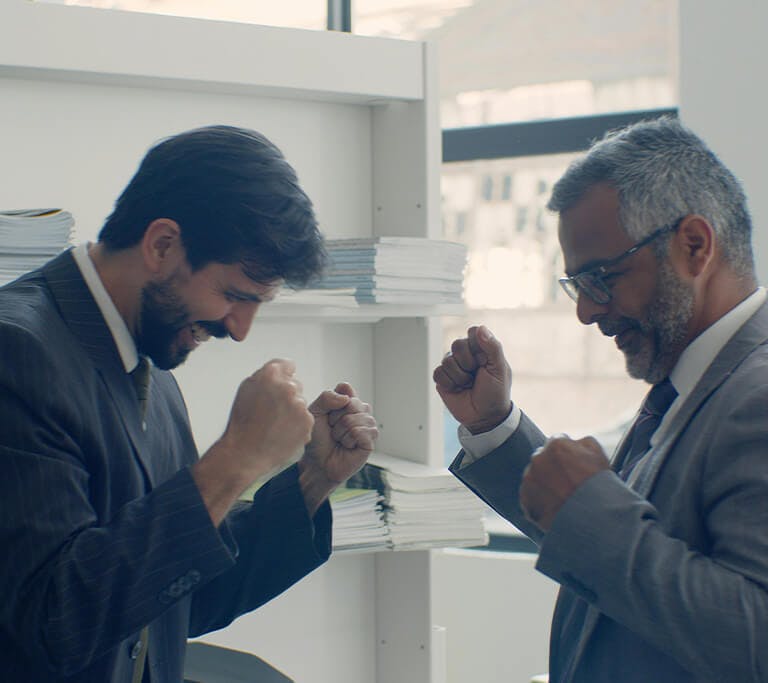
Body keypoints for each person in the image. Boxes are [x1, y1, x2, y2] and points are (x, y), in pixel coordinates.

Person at [0, 125, 379, 682]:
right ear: (160, 246)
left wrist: (310, 481)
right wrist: (234, 461)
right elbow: (52, 621)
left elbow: (175, 601)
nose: (240, 329)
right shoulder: (16, 351)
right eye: (233, 295)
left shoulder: (147, 358)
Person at [433, 117, 768, 682]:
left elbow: (755, 639)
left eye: (601, 277)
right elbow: (615, 544)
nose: (587, 311)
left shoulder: (756, 397)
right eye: (578, 286)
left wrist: (590, 507)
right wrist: (496, 427)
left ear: (694, 245)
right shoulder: (695, 382)